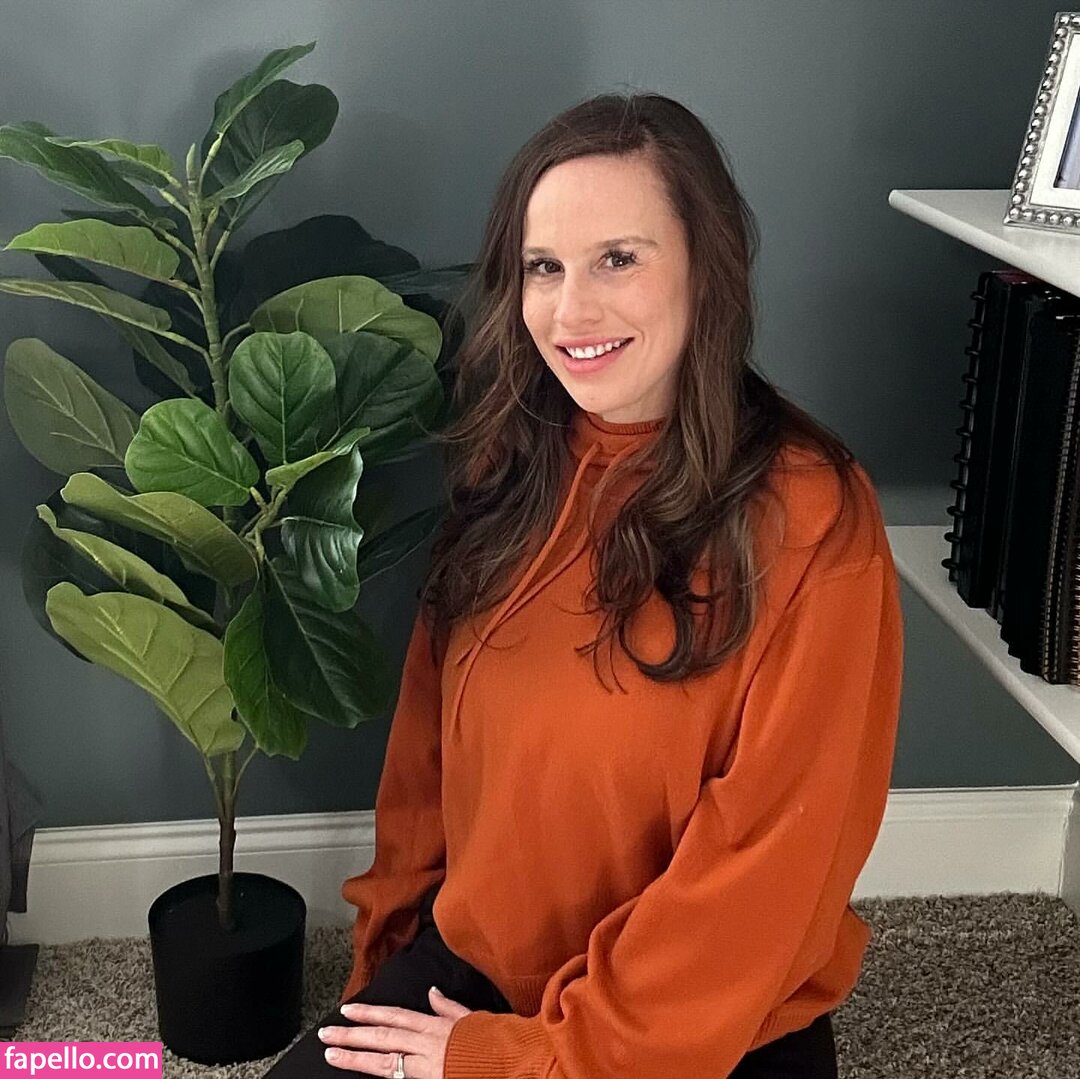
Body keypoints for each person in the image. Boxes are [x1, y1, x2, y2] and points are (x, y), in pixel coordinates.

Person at [264, 92, 903, 1079]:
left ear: (707, 265)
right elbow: (425, 767)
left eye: (618, 259)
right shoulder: (510, 463)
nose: (571, 312)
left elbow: (765, 869)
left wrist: (533, 1058)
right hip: (472, 974)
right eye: (544, 267)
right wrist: (383, 970)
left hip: (693, 1025)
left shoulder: (816, 516)